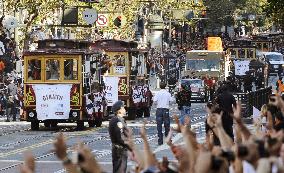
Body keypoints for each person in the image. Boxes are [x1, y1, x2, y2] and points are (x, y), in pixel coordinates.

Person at [108, 100, 131, 173]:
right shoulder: (117, 120)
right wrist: (129, 146)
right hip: (119, 150)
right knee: (120, 169)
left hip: (120, 149)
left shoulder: (119, 119)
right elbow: (120, 137)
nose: (125, 109)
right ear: (119, 110)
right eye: (123, 108)